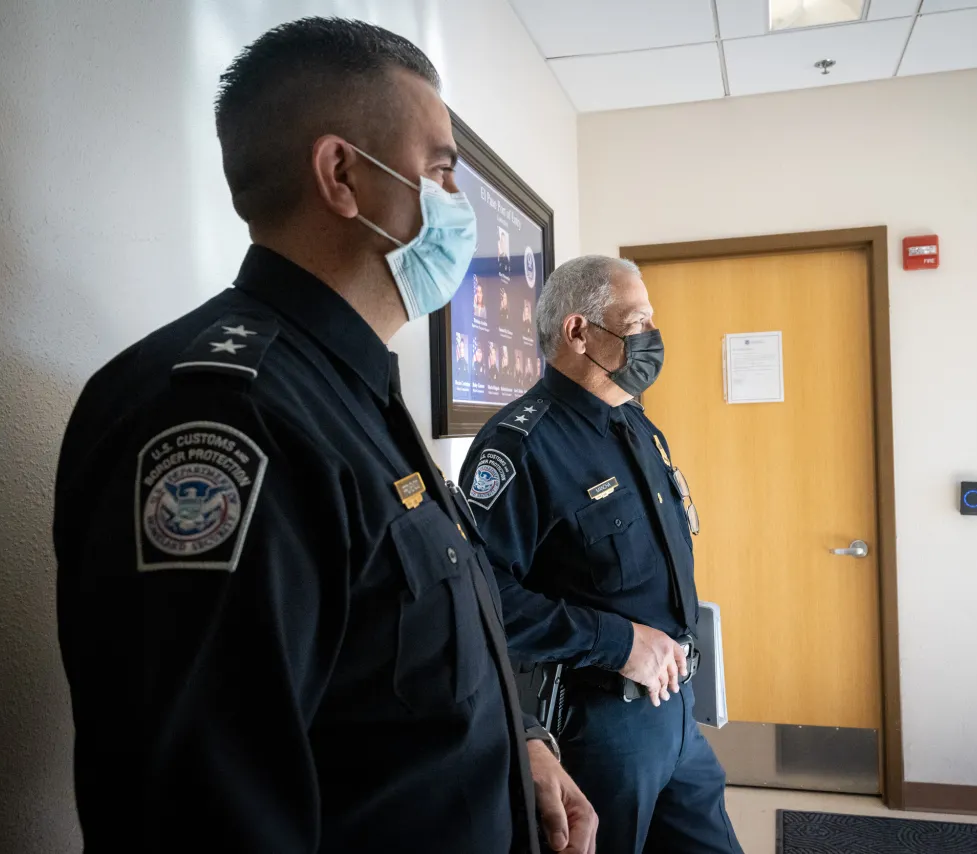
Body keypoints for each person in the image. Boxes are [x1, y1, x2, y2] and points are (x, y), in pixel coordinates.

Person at [53, 18, 595, 854]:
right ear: (342, 174)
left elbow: (395, 666)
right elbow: (200, 813)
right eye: (443, 172)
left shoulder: (352, 385)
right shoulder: (226, 420)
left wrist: (516, 745)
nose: (460, 208)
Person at [460, 255, 742, 854]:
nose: (652, 339)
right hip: (600, 726)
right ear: (578, 332)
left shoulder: (636, 425)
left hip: (676, 711)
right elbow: (481, 600)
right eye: (636, 321)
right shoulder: (520, 445)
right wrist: (617, 642)